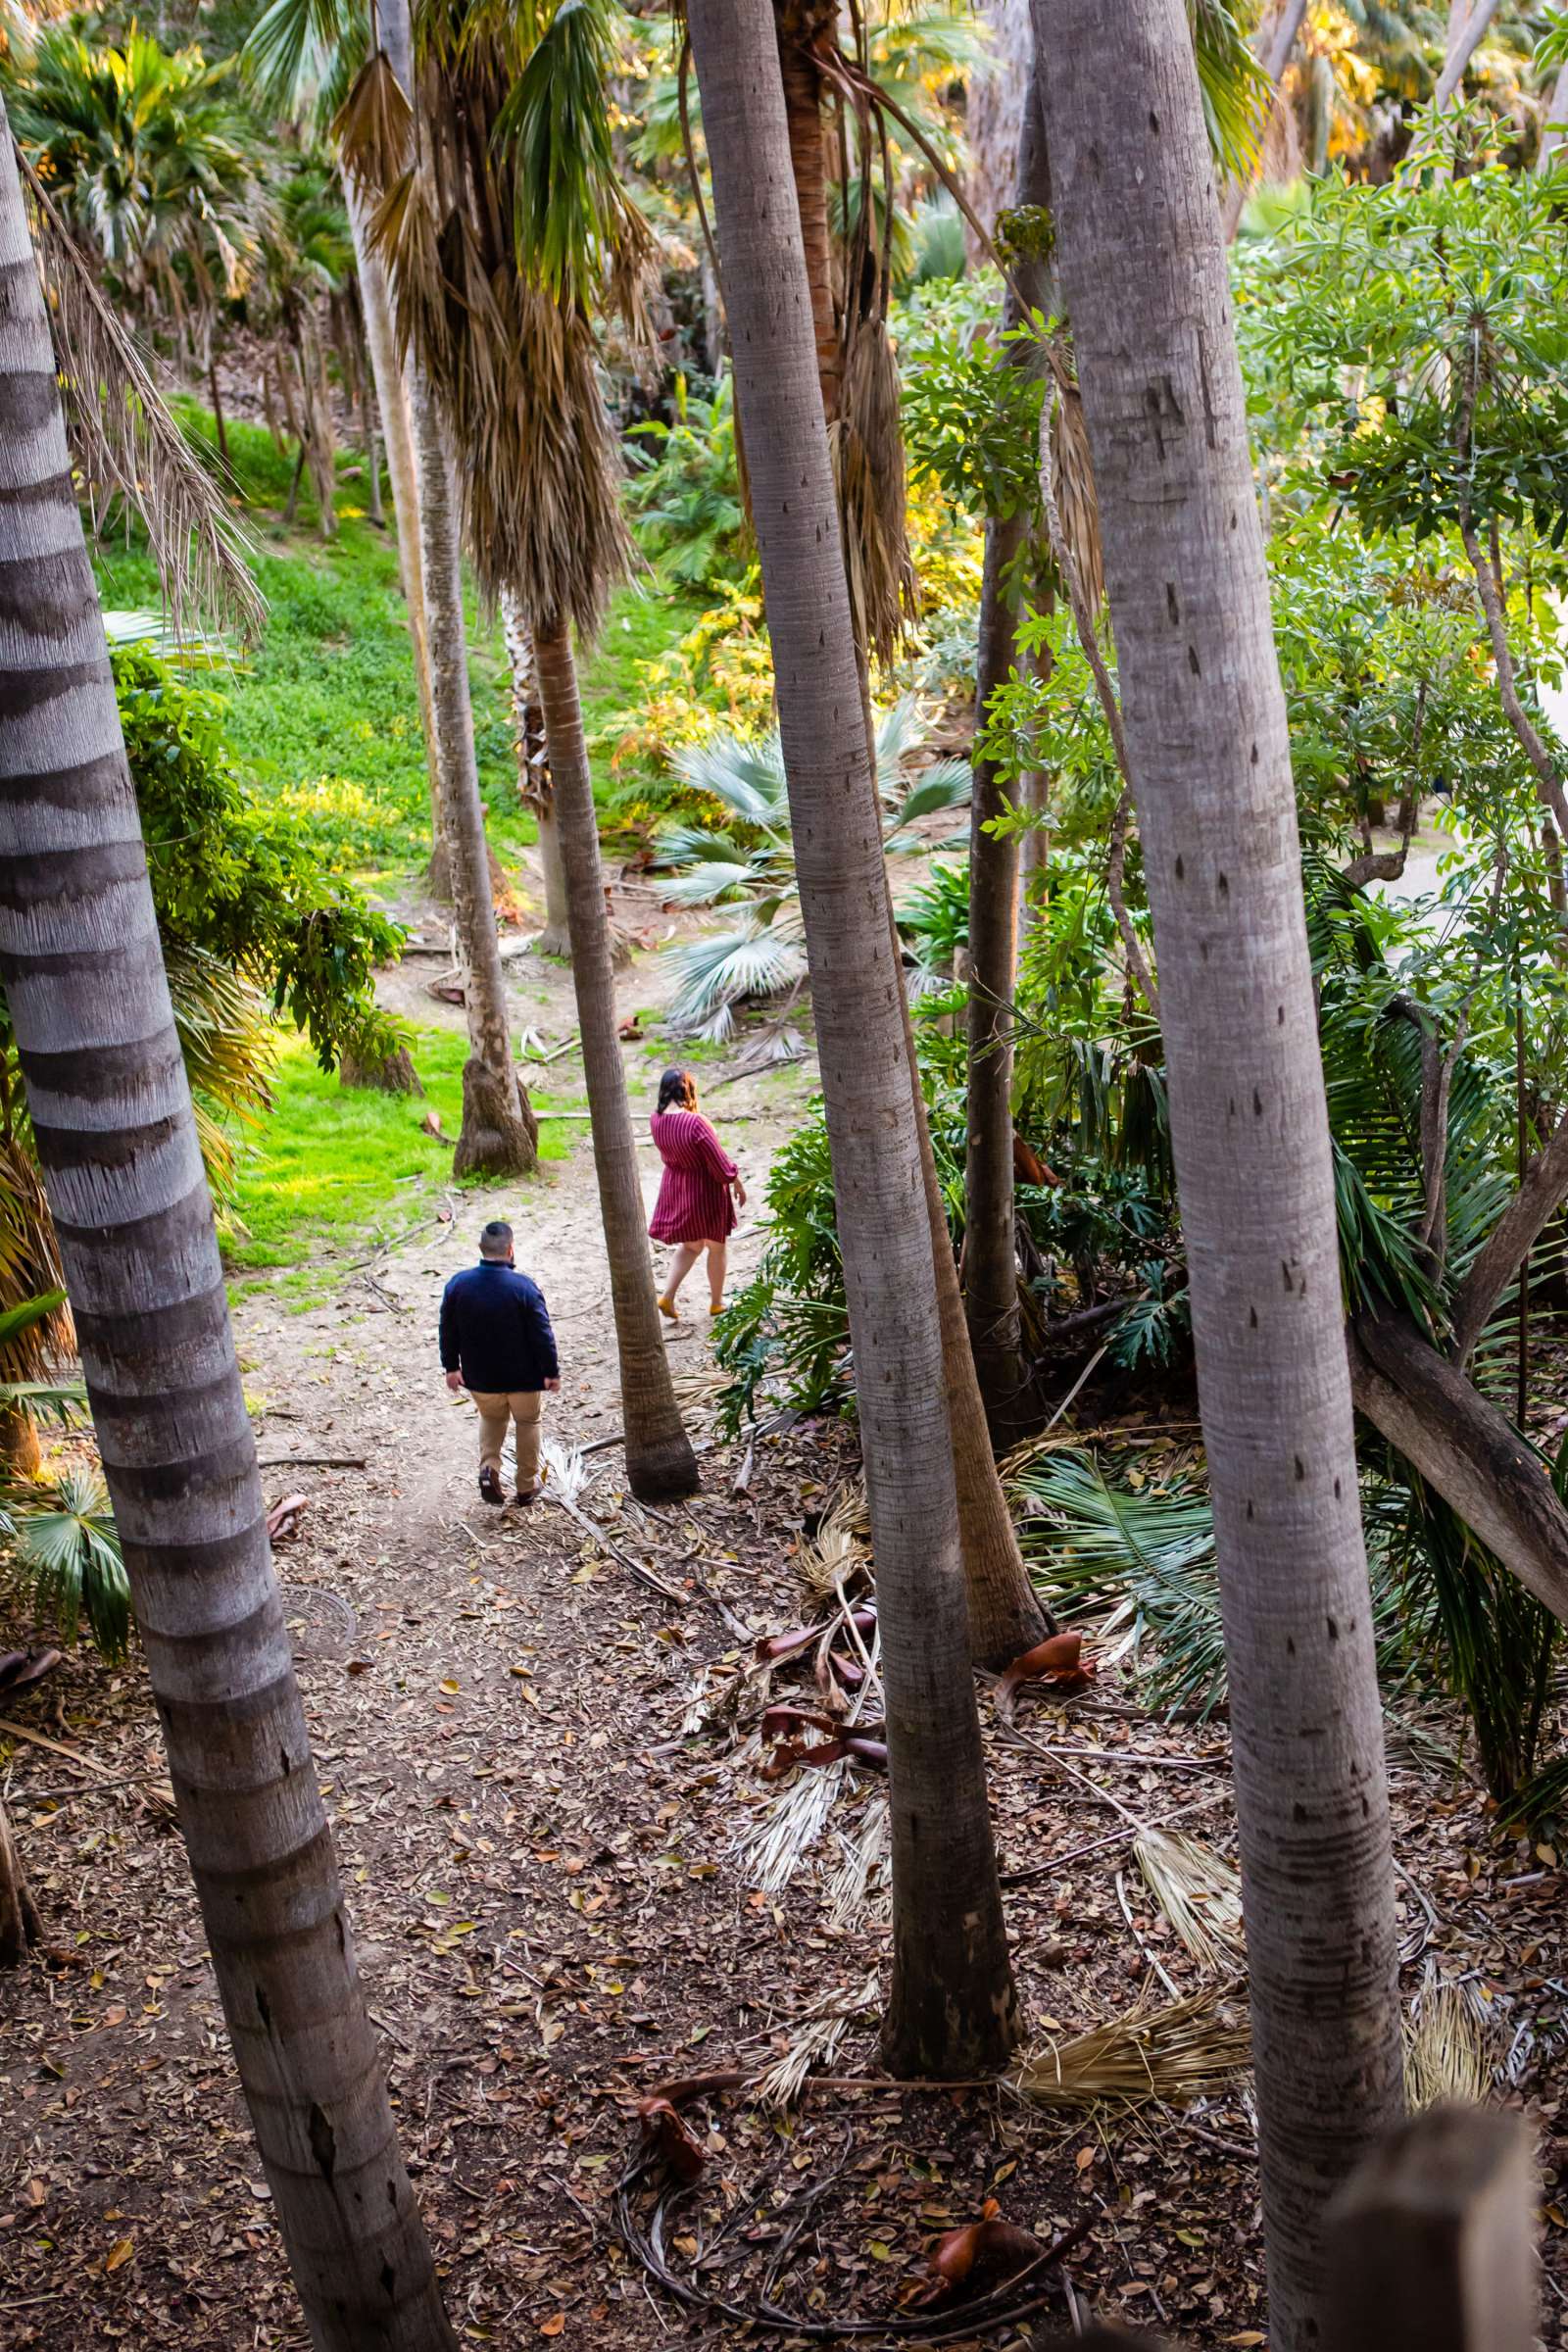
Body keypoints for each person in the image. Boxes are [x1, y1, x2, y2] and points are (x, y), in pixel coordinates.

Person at [439, 1220, 560, 1506]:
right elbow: (542, 1333)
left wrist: (451, 1367)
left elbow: (447, 1328)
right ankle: (526, 1486)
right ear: (511, 1249)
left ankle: (489, 1468)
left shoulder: (458, 1284)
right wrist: (550, 1370)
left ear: (481, 1249)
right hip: (524, 1378)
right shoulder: (524, 1287)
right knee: (528, 1421)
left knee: (492, 1418)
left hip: (480, 1378)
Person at [648, 1067, 746, 1317]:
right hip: (704, 1190)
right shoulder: (695, 1122)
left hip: (677, 1187)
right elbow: (719, 1163)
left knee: (691, 1246)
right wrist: (735, 1179)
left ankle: (667, 1297)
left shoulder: (655, 1119)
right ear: (687, 1090)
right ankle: (716, 1302)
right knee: (716, 1247)